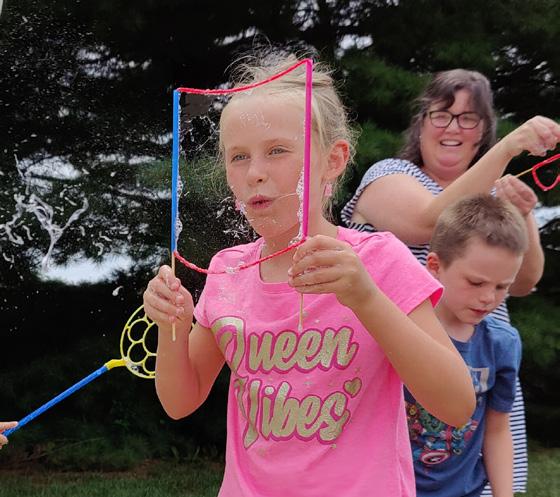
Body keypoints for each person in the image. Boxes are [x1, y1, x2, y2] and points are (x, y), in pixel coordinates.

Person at [143, 54, 475, 497]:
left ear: (333, 160)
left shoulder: (377, 261)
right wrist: (172, 327)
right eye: (238, 157)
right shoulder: (228, 270)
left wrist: (366, 299)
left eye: (277, 151)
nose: (255, 173)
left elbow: (456, 404)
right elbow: (180, 401)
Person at [341, 69, 560, 494]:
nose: (453, 128)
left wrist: (524, 216)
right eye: (441, 114)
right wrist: (509, 147)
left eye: (468, 118)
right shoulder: (388, 174)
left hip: (484, 370)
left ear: (483, 131)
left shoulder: (494, 193)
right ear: (420, 123)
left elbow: (523, 282)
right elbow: (428, 222)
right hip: (403, 368)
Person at [407, 194, 527, 497]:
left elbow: (497, 429)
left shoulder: (502, 343)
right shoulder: (400, 328)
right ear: (435, 265)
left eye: (502, 287)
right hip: (394, 486)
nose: (488, 297)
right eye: (476, 282)